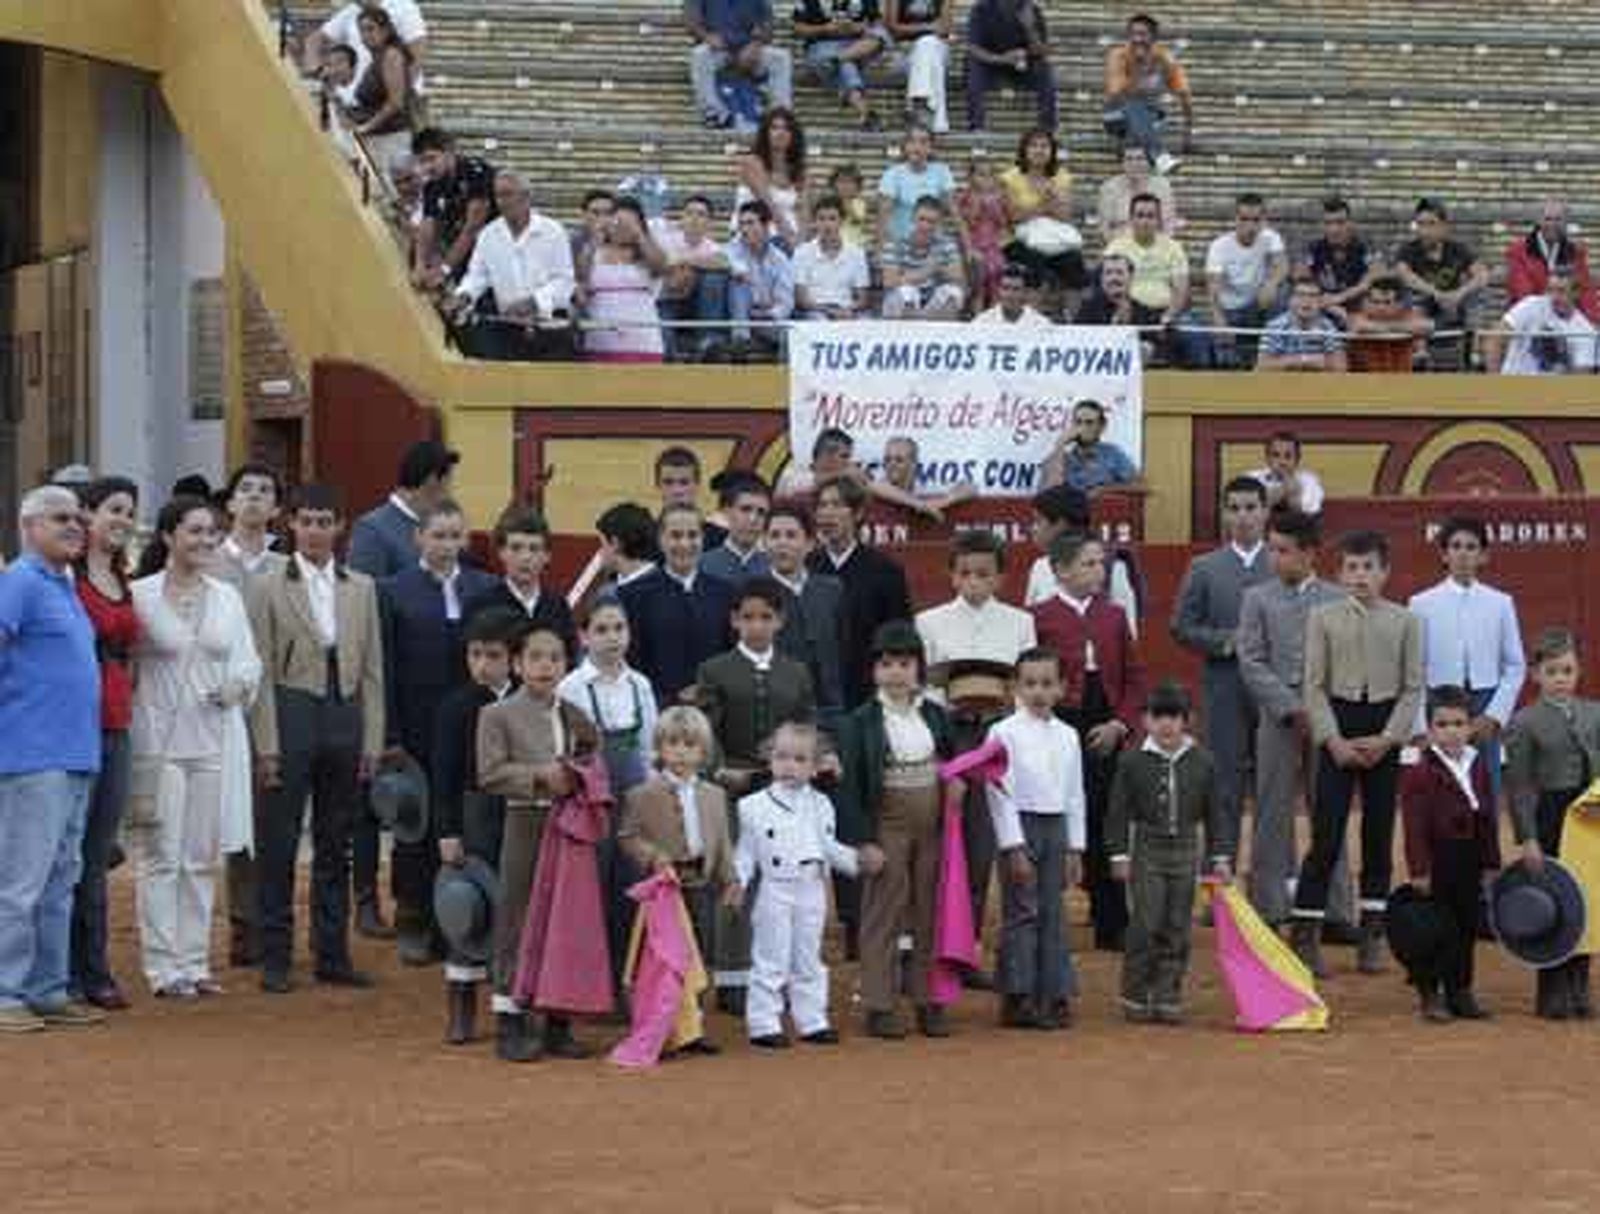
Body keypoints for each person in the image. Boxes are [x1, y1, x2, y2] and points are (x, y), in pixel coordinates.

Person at [248, 485, 385, 995]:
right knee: (278, 839)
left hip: (343, 710)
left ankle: (332, 953)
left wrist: (372, 740)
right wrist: (266, 743)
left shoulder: (362, 587)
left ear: (340, 527)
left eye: (324, 521)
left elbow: (373, 670)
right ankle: (276, 955)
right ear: (291, 525)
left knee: (336, 839)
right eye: (306, 521)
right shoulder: (265, 586)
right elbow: (259, 669)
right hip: (290, 706)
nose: (314, 530)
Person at [129, 496, 262, 1000]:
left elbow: (249, 663)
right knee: (162, 857)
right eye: (195, 531)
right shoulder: (139, 596)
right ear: (168, 536)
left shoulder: (227, 596)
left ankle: (194, 961)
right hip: (157, 744)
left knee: (201, 857)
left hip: (214, 742)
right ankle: (162, 967)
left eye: (211, 532)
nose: (206, 541)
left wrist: (237, 687)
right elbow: (124, 664)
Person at [1289, 530, 1424, 979]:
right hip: (1339, 729)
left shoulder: (1406, 621)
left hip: (1383, 732)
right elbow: (1313, 686)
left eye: (1369, 567)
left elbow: (1412, 688)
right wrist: (1333, 741)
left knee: (1379, 834)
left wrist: (1389, 739)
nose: (1360, 576)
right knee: (1326, 835)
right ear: (1339, 573)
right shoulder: (1322, 617)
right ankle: (1305, 934)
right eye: (1352, 567)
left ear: (1385, 572)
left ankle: (1372, 935)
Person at [0, 485, 106, 1033]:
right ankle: (5, 993)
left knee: (60, 878)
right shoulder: (19, 582)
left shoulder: (64, 585)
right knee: (21, 880)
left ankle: (46, 988)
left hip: (74, 753)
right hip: (32, 752)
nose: (74, 526)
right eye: (60, 518)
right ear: (28, 526)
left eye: (77, 519)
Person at [476, 622, 601, 1062]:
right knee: (516, 916)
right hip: (524, 821)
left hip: (566, 826)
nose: (545, 666)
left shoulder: (573, 713)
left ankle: (556, 1021)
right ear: (517, 664)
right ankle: (509, 1019)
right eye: (535, 657)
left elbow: (591, 754)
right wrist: (537, 777)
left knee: (562, 919)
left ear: (567, 665)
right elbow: (489, 773)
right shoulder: (498, 714)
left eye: (554, 658)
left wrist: (583, 772)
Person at [378, 500, 496, 965]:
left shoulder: (483, 587)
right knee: (415, 827)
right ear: (418, 539)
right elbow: (384, 665)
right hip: (417, 721)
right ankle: (413, 919)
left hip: (472, 723)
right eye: (438, 535)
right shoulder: (393, 590)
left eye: (454, 536)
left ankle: (460, 922)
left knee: (465, 820)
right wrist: (390, 731)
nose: (447, 544)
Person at [917, 529, 1035, 966]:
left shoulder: (1019, 622)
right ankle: (945, 946)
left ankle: (974, 949)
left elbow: (1025, 684)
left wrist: (1008, 713)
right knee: (949, 840)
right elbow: (923, 690)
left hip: (999, 736)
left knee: (987, 839)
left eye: (984, 574)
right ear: (952, 576)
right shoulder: (929, 622)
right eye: (965, 573)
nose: (974, 582)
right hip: (951, 734)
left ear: (1000, 578)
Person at [1235, 508, 1357, 931]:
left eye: (1283, 551)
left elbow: (1348, 663)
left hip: (1327, 720)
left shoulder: (1339, 598)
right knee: (1271, 811)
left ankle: (1338, 909)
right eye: (1271, 550)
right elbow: (1250, 661)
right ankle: (1268, 906)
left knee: (1332, 811)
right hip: (1278, 718)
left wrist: (1320, 709)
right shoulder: (1257, 597)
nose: (1275, 559)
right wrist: (1291, 706)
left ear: (1309, 553)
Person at [837, 622, 956, 1038]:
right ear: (874, 671)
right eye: (886, 664)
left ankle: (928, 999)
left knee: (930, 912)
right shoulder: (859, 722)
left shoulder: (937, 716)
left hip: (931, 824)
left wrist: (954, 783)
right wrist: (862, 841)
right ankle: (879, 1002)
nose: (896, 673)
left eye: (904, 664)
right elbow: (848, 786)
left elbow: (950, 765)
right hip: (887, 821)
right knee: (883, 913)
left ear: (918, 668)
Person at [1032, 532, 1146, 951]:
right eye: (1089, 563)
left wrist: (1120, 724)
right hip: (1058, 721)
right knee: (1053, 813)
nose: (1099, 571)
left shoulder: (1114, 616)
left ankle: (1111, 916)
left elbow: (1133, 678)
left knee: (1106, 817)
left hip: (1104, 722)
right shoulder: (1040, 616)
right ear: (1061, 570)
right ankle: (1046, 915)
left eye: (1101, 563)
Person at [733, 721, 863, 1047]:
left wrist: (857, 861)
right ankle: (764, 1023)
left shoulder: (821, 804)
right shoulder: (751, 806)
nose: (789, 765)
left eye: (800, 759)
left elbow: (828, 846)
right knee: (771, 957)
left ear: (816, 767)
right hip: (774, 889)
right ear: (769, 759)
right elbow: (746, 852)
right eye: (781, 756)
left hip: (812, 888)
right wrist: (737, 881)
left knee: (808, 956)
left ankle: (812, 1019)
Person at [1109, 681, 1228, 1025]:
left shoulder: (1203, 761)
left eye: (1173, 717)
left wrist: (1219, 856)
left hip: (1187, 849)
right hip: (1147, 847)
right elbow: (1117, 812)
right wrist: (1119, 854)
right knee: (1146, 922)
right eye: (1157, 716)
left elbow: (1215, 813)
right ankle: (1135, 991)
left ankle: (1167, 992)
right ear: (1145, 721)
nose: (1165, 724)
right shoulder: (1132, 761)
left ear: (1186, 720)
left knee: (1177, 925)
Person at [1170, 477, 1271, 882]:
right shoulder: (1205, 567)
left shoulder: (1279, 562)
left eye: (1251, 507)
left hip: (1272, 689)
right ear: (1225, 514)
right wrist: (1224, 642)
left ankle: (1270, 880)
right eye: (1235, 508)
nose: (1243, 517)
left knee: (1272, 785)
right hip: (1224, 685)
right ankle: (1219, 877)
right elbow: (1181, 626)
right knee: (1223, 783)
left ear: (1265, 512)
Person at [557, 600, 658, 1002]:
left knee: (630, 892)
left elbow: (651, 749)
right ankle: (585, 987)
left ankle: (623, 983)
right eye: (601, 629)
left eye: (619, 628)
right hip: (590, 808)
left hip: (633, 807)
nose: (612, 637)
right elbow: (565, 751)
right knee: (589, 894)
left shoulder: (641, 685)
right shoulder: (571, 688)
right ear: (583, 637)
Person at [617, 706, 731, 1056]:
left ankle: (691, 1028)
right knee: (664, 961)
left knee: (699, 955)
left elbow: (722, 842)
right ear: (659, 748)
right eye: (672, 743)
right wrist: (653, 856)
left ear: (703, 751)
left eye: (690, 744)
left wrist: (731, 880)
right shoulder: (642, 794)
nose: (681, 751)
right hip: (666, 892)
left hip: (702, 885)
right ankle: (662, 1030)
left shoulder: (714, 795)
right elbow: (627, 835)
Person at [431, 606, 520, 1046]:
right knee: (469, 907)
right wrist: (447, 830)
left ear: (514, 659)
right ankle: (461, 1003)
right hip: (474, 815)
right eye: (475, 654)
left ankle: (510, 1006)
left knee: (516, 913)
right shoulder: (456, 707)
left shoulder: (531, 701)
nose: (482, 665)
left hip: (522, 816)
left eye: (493, 655)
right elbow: (443, 777)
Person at [68, 478, 140, 1011]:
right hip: (71, 725)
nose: (123, 519)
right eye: (114, 510)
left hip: (116, 722)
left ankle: (92, 967)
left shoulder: (122, 578)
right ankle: (65, 970)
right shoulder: (65, 579)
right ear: (87, 514)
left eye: (130, 512)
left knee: (97, 853)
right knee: (64, 853)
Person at [984, 648, 1084, 1028]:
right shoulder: (1003, 732)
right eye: (1030, 684)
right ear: (1015, 688)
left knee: (1054, 912)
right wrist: (1012, 845)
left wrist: (1076, 845)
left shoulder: (1068, 736)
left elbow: (1075, 793)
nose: (1038, 691)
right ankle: (1018, 995)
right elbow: (999, 791)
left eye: (1047, 683)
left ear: (1061, 688)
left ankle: (1054, 993)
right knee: (1022, 912)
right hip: (1021, 825)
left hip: (1056, 825)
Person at [1504, 628, 1600, 1020]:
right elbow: (1520, 786)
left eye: (1568, 670)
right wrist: (1527, 837)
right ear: (1535, 674)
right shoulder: (1524, 722)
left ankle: (1580, 985)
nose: (1562, 678)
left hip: (1592, 814)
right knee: (1555, 900)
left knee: (1590, 901)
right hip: (1552, 816)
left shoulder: (1595, 712)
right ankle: (1552, 990)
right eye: (1553, 671)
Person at [1398, 686, 1501, 1023]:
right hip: (1438, 856)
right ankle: (1430, 993)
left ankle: (1460, 990)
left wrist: (1490, 861)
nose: (1451, 731)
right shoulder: (1419, 772)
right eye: (1442, 725)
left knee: (1466, 925)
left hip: (1469, 856)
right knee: (1435, 928)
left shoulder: (1477, 764)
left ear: (1471, 727)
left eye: (1458, 723)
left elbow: (1488, 817)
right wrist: (1420, 869)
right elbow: (1414, 826)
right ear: (1429, 731)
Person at [1406, 517, 1526, 793]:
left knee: (1485, 785)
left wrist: (1494, 716)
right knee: (1439, 788)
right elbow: (1413, 669)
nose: (1463, 553)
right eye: (1456, 546)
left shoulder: (1500, 602)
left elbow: (1515, 666)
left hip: (1485, 702)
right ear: (1444, 554)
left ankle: (1486, 837)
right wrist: (1420, 727)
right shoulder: (1421, 603)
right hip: (1439, 703)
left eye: (1471, 547)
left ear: (1483, 555)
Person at [808, 476, 913, 707]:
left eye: (837, 505)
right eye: (822, 506)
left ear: (857, 514)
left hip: (869, 694)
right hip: (815, 695)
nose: (827, 513)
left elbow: (899, 637)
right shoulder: (806, 568)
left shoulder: (885, 572)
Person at [451, 171, 576, 363]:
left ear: (526, 197)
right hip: (507, 329)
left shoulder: (553, 231)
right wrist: (464, 295)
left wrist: (533, 302)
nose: (501, 202)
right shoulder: (488, 234)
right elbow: (477, 276)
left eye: (508, 194)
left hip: (551, 327)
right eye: (498, 195)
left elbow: (565, 281)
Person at [618, 503, 735, 706]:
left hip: (714, 713)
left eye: (692, 535)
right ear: (660, 540)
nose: (685, 544)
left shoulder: (725, 594)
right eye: (676, 535)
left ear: (703, 539)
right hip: (657, 711)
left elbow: (730, 657)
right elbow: (632, 663)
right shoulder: (633, 595)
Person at [765, 503, 848, 730]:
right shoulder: (755, 591)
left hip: (833, 711)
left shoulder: (831, 589)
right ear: (764, 543)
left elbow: (845, 648)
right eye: (774, 535)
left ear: (810, 543)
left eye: (791, 535)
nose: (782, 543)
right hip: (777, 715)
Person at [463, 505, 579, 661]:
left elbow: (569, 659)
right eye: (516, 548)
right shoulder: (481, 605)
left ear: (547, 556)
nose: (525, 557)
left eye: (534, 548)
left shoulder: (558, 605)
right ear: (501, 552)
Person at [1022, 483, 1142, 629]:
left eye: (1038, 521)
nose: (1032, 528)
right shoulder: (1039, 567)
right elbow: (1028, 630)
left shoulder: (1112, 567)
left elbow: (1127, 630)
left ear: (1061, 524)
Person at [1392, 198, 1489, 370]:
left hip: (1452, 308)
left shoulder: (1458, 249)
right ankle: (1420, 353)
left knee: (1478, 292)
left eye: (1431, 224)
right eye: (1420, 224)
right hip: (1423, 309)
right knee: (1412, 294)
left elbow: (1482, 274)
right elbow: (1404, 275)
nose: (1425, 231)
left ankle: (1473, 351)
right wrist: (1436, 293)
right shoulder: (1408, 250)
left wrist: (1459, 294)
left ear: (1444, 227)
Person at [348, 438, 460, 582]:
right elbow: (364, 594)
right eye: (447, 480)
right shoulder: (372, 529)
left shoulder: (438, 524)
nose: (449, 489)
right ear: (431, 480)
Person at [1000, 128, 1086, 311]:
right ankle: (1032, 323)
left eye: (1044, 146)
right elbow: (1012, 217)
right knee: (1034, 264)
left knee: (1074, 262)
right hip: (1018, 239)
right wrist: (1045, 205)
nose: (1039, 150)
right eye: (1034, 146)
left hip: (1053, 238)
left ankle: (1075, 324)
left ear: (1052, 151)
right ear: (1024, 150)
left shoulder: (1061, 177)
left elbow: (1066, 215)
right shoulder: (1010, 178)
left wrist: (1042, 205)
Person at [1103, 193, 1194, 361]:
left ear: (1158, 220)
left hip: (1166, 312)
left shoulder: (1174, 248)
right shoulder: (1116, 246)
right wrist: (1122, 309)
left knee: (1194, 336)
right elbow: (1108, 285)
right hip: (1128, 311)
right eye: (1140, 215)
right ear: (1131, 219)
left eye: (1151, 216)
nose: (1145, 221)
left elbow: (1181, 291)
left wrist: (1168, 316)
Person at [1103, 13, 1193, 174]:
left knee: (1137, 136)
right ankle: (1159, 156)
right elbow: (1115, 94)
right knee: (1133, 104)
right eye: (1133, 34)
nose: (1137, 39)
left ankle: (1131, 154)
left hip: (1150, 117)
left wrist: (1187, 132)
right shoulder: (1118, 56)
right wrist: (1138, 69)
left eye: (1143, 34)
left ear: (1154, 37)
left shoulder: (1164, 59)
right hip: (1115, 117)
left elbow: (1184, 95)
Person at [581, 197, 668, 364]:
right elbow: (580, 277)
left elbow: (660, 267)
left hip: (643, 343)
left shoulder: (648, 252)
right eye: (618, 222)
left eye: (629, 223)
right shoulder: (594, 251)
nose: (622, 228)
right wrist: (594, 241)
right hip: (599, 341)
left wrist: (639, 235)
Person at [1206, 193, 1288, 369]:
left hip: (1256, 305)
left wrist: (1271, 283)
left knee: (1282, 292)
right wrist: (1219, 319)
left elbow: (1282, 266)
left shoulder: (1270, 237)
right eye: (1244, 219)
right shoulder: (1219, 246)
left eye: (1256, 220)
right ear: (1234, 219)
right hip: (1231, 311)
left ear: (1263, 220)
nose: (1250, 226)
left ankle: (1275, 352)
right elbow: (1213, 287)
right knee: (1223, 357)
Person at [685, 0, 794, 131]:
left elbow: (768, 26)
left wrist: (756, 44)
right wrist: (707, 37)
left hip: (748, 50)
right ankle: (714, 114)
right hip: (719, 50)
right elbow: (691, 23)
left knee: (780, 57)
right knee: (700, 54)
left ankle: (779, 114)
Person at [410, 127, 497, 292]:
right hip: (467, 257)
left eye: (431, 158)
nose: (427, 167)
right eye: (422, 161)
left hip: (495, 253)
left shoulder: (476, 172)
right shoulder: (432, 186)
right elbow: (428, 224)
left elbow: (472, 228)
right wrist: (419, 264)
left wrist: (444, 269)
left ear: (449, 152)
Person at [792, 0, 890, 129]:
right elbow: (798, 28)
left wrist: (858, 27)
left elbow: (876, 23)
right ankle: (865, 112)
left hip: (859, 45)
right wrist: (825, 28)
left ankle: (835, 61)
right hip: (823, 45)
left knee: (880, 34)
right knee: (846, 65)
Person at [1482, 267, 1598, 376]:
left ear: (1576, 293)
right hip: (1512, 385)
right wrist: (1495, 381)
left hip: (1552, 394)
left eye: (1561, 291)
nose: (1554, 297)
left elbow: (1581, 376)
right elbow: (1495, 339)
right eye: (1550, 290)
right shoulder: (1531, 305)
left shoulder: (1585, 331)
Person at [657, 195, 731, 363]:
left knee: (714, 279)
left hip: (696, 305)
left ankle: (707, 342)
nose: (694, 219)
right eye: (689, 213)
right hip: (668, 300)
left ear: (709, 222)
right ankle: (670, 355)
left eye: (701, 214)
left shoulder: (713, 247)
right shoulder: (664, 240)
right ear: (681, 218)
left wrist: (686, 261)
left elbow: (725, 263)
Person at [964, 0, 1056, 132]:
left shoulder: (1031, 9)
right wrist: (1003, 59)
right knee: (973, 65)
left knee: (1044, 67)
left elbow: (1042, 51)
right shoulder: (981, 8)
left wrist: (1029, 28)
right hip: (991, 64)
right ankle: (977, 126)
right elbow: (973, 48)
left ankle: (1048, 126)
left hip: (1021, 65)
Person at [344, 6, 416, 172]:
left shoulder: (391, 55)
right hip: (379, 139)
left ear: (386, 31)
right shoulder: (377, 58)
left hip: (391, 139)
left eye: (371, 29)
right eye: (362, 31)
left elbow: (395, 102)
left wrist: (367, 126)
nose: (366, 36)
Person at [724, 199, 795, 362]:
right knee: (738, 284)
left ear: (766, 225)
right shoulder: (732, 249)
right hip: (738, 316)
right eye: (741, 224)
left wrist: (768, 314)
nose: (744, 229)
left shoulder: (779, 259)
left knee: (790, 339)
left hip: (766, 319)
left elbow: (785, 302)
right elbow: (735, 269)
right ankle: (741, 340)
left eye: (750, 223)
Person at [1504, 198, 1599, 320]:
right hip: (1529, 317)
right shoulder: (1519, 251)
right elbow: (1523, 293)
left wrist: (1593, 320)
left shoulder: (1575, 252)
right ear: (1539, 221)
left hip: (1565, 314)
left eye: (1558, 219)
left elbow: (1585, 290)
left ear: (1565, 222)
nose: (1552, 224)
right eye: (1548, 219)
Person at [734, 107, 809, 248]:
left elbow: (804, 212)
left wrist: (802, 242)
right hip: (755, 235)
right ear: (765, 133)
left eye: (786, 129)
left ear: (793, 135)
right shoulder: (751, 162)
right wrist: (789, 238)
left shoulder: (800, 171)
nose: (780, 133)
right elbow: (769, 206)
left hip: (791, 238)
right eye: (774, 128)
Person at [882, 196, 967, 320]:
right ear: (912, 218)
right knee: (907, 292)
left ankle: (943, 336)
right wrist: (929, 270)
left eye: (932, 221)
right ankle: (914, 333)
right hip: (898, 306)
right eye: (922, 219)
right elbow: (889, 282)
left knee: (953, 293)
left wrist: (908, 276)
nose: (926, 226)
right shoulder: (895, 244)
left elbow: (958, 277)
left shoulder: (947, 243)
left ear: (939, 223)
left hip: (931, 303)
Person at [875, 122, 957, 249]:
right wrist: (880, 251)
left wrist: (969, 248)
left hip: (934, 246)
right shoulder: (892, 174)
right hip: (901, 246)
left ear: (931, 148)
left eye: (923, 142)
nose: (917, 147)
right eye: (912, 141)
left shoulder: (942, 171)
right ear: (905, 146)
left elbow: (955, 212)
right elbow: (883, 217)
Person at [793, 195, 871, 320]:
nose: (827, 224)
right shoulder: (802, 252)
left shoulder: (857, 253)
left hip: (847, 309)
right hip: (815, 311)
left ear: (842, 221)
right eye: (821, 219)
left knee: (865, 321)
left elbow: (863, 299)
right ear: (815, 222)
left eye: (832, 219)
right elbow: (801, 299)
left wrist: (848, 310)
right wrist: (830, 311)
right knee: (819, 320)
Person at [1302, 196, 1377, 325]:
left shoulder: (1364, 246)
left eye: (1340, 222)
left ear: (1350, 223)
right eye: (1328, 223)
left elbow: (1375, 278)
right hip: (1322, 307)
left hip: (1357, 307)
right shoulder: (1314, 248)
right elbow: (1301, 280)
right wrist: (1331, 307)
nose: (1334, 229)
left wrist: (1340, 298)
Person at [1040, 399, 1138, 494]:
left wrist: (1103, 489)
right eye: (1078, 422)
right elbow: (1046, 494)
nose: (1083, 428)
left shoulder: (1112, 455)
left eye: (1089, 423)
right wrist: (1060, 445)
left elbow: (1140, 485)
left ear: (1101, 426)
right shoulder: (1060, 457)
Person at [886, 0, 954, 132]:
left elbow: (945, 28)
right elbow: (892, 27)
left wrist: (911, 31)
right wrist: (928, 27)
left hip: (937, 49)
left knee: (926, 44)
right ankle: (937, 120)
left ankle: (918, 103)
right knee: (927, 49)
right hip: (905, 53)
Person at [954, 153, 1010, 311]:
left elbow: (1002, 223)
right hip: (974, 243)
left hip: (992, 245)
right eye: (981, 175)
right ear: (971, 178)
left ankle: (994, 313)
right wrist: (978, 205)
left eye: (990, 175)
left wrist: (995, 208)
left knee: (997, 274)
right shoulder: (966, 197)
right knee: (980, 278)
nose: (986, 179)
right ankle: (977, 312)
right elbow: (968, 222)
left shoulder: (998, 198)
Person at [217, 464, 288, 586]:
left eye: (264, 490)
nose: (254, 495)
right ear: (230, 505)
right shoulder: (206, 562)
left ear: (276, 510)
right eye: (245, 489)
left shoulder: (288, 569)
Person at [1257, 279, 1347, 372]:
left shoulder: (1327, 327)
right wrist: (1304, 360)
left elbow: (1341, 368)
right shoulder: (1275, 327)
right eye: (1301, 295)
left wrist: (1285, 361)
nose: (1307, 301)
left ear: (1320, 301)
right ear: (1290, 300)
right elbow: (1262, 367)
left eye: (1313, 296)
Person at [1346, 276, 1432, 373]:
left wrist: (1385, 327)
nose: (1380, 308)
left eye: (1387, 302)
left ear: (1399, 304)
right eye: (1375, 302)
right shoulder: (1359, 315)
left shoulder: (1405, 315)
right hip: (1365, 381)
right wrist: (1402, 328)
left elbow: (1427, 326)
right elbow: (1358, 326)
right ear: (1366, 302)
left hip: (1400, 380)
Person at [700, 472, 772, 583]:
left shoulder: (774, 568)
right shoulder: (702, 566)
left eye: (761, 512)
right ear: (726, 512)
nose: (753, 519)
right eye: (745, 509)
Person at [1096, 147, 1178, 243]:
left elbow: (1168, 225)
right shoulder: (1109, 188)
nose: (1134, 164)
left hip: (1155, 246)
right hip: (1120, 246)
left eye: (1140, 159)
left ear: (1148, 162)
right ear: (1122, 163)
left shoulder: (1162, 186)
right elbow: (1104, 228)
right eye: (1129, 159)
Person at [879, 435, 974, 516]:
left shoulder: (925, 488)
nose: (891, 464)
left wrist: (944, 501)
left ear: (913, 463)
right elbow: (872, 486)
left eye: (899, 460)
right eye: (887, 460)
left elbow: (970, 487)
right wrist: (920, 504)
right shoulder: (878, 489)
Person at [1247, 431, 1324, 516]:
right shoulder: (1252, 478)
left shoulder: (1310, 481)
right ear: (1267, 458)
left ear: (1297, 459)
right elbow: (1248, 510)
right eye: (1276, 455)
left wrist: (1288, 485)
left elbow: (1307, 514)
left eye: (1288, 456)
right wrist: (1283, 490)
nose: (1282, 462)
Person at [974, 262, 1050, 327]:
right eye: (1005, 288)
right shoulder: (983, 321)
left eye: (1016, 289)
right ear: (998, 290)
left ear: (1025, 292)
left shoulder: (1039, 324)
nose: (1010, 294)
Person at [828, 164, 872, 247]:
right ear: (834, 184)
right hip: (832, 245)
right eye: (841, 181)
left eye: (850, 182)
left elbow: (857, 220)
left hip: (854, 246)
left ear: (857, 186)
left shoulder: (859, 203)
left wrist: (845, 200)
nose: (845, 185)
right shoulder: (829, 203)